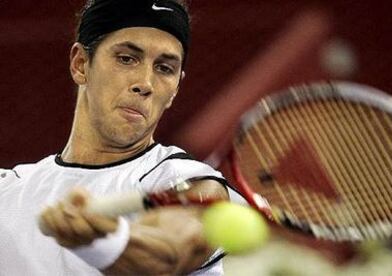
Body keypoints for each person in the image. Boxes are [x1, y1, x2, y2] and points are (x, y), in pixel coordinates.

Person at [0, 0, 230, 275]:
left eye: (164, 68)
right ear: (81, 64)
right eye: (127, 58)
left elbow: (170, 254)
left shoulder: (189, 182)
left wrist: (102, 242)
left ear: (175, 89)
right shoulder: (8, 191)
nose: (145, 83)